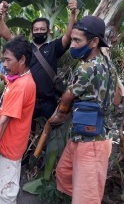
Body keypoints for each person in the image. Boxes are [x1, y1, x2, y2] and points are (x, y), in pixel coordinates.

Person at [48, 16, 118, 204]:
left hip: (93, 142)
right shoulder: (109, 66)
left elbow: (67, 96)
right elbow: (118, 98)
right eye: (72, 39)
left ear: (94, 42)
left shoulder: (87, 68)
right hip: (83, 135)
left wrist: (61, 113)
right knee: (64, 172)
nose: (73, 45)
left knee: (86, 198)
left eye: (78, 40)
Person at [0, 0, 77, 123]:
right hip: (28, 101)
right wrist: (0, 18)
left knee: (47, 135)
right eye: (36, 30)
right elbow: (7, 35)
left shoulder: (53, 47)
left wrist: (72, 14)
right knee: (27, 134)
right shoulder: (25, 48)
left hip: (48, 103)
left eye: (42, 29)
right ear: (32, 32)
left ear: (48, 31)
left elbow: (69, 35)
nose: (39, 32)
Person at [0, 36, 36, 203]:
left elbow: (3, 122)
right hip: (5, 146)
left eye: (8, 60)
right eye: (3, 60)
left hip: (10, 149)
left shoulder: (22, 87)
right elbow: (10, 85)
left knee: (4, 193)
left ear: (22, 59)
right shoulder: (17, 79)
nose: (4, 64)